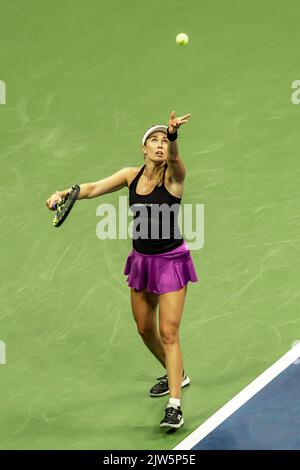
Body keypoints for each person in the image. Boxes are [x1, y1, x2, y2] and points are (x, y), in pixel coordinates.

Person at [46, 110, 198, 429]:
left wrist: (173, 137)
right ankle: (177, 375)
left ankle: (175, 405)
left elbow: (178, 160)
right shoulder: (130, 175)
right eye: (153, 141)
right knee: (145, 329)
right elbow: (91, 189)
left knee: (169, 332)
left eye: (162, 141)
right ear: (143, 149)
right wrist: (63, 193)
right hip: (142, 262)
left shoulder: (173, 177)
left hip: (171, 262)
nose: (159, 146)